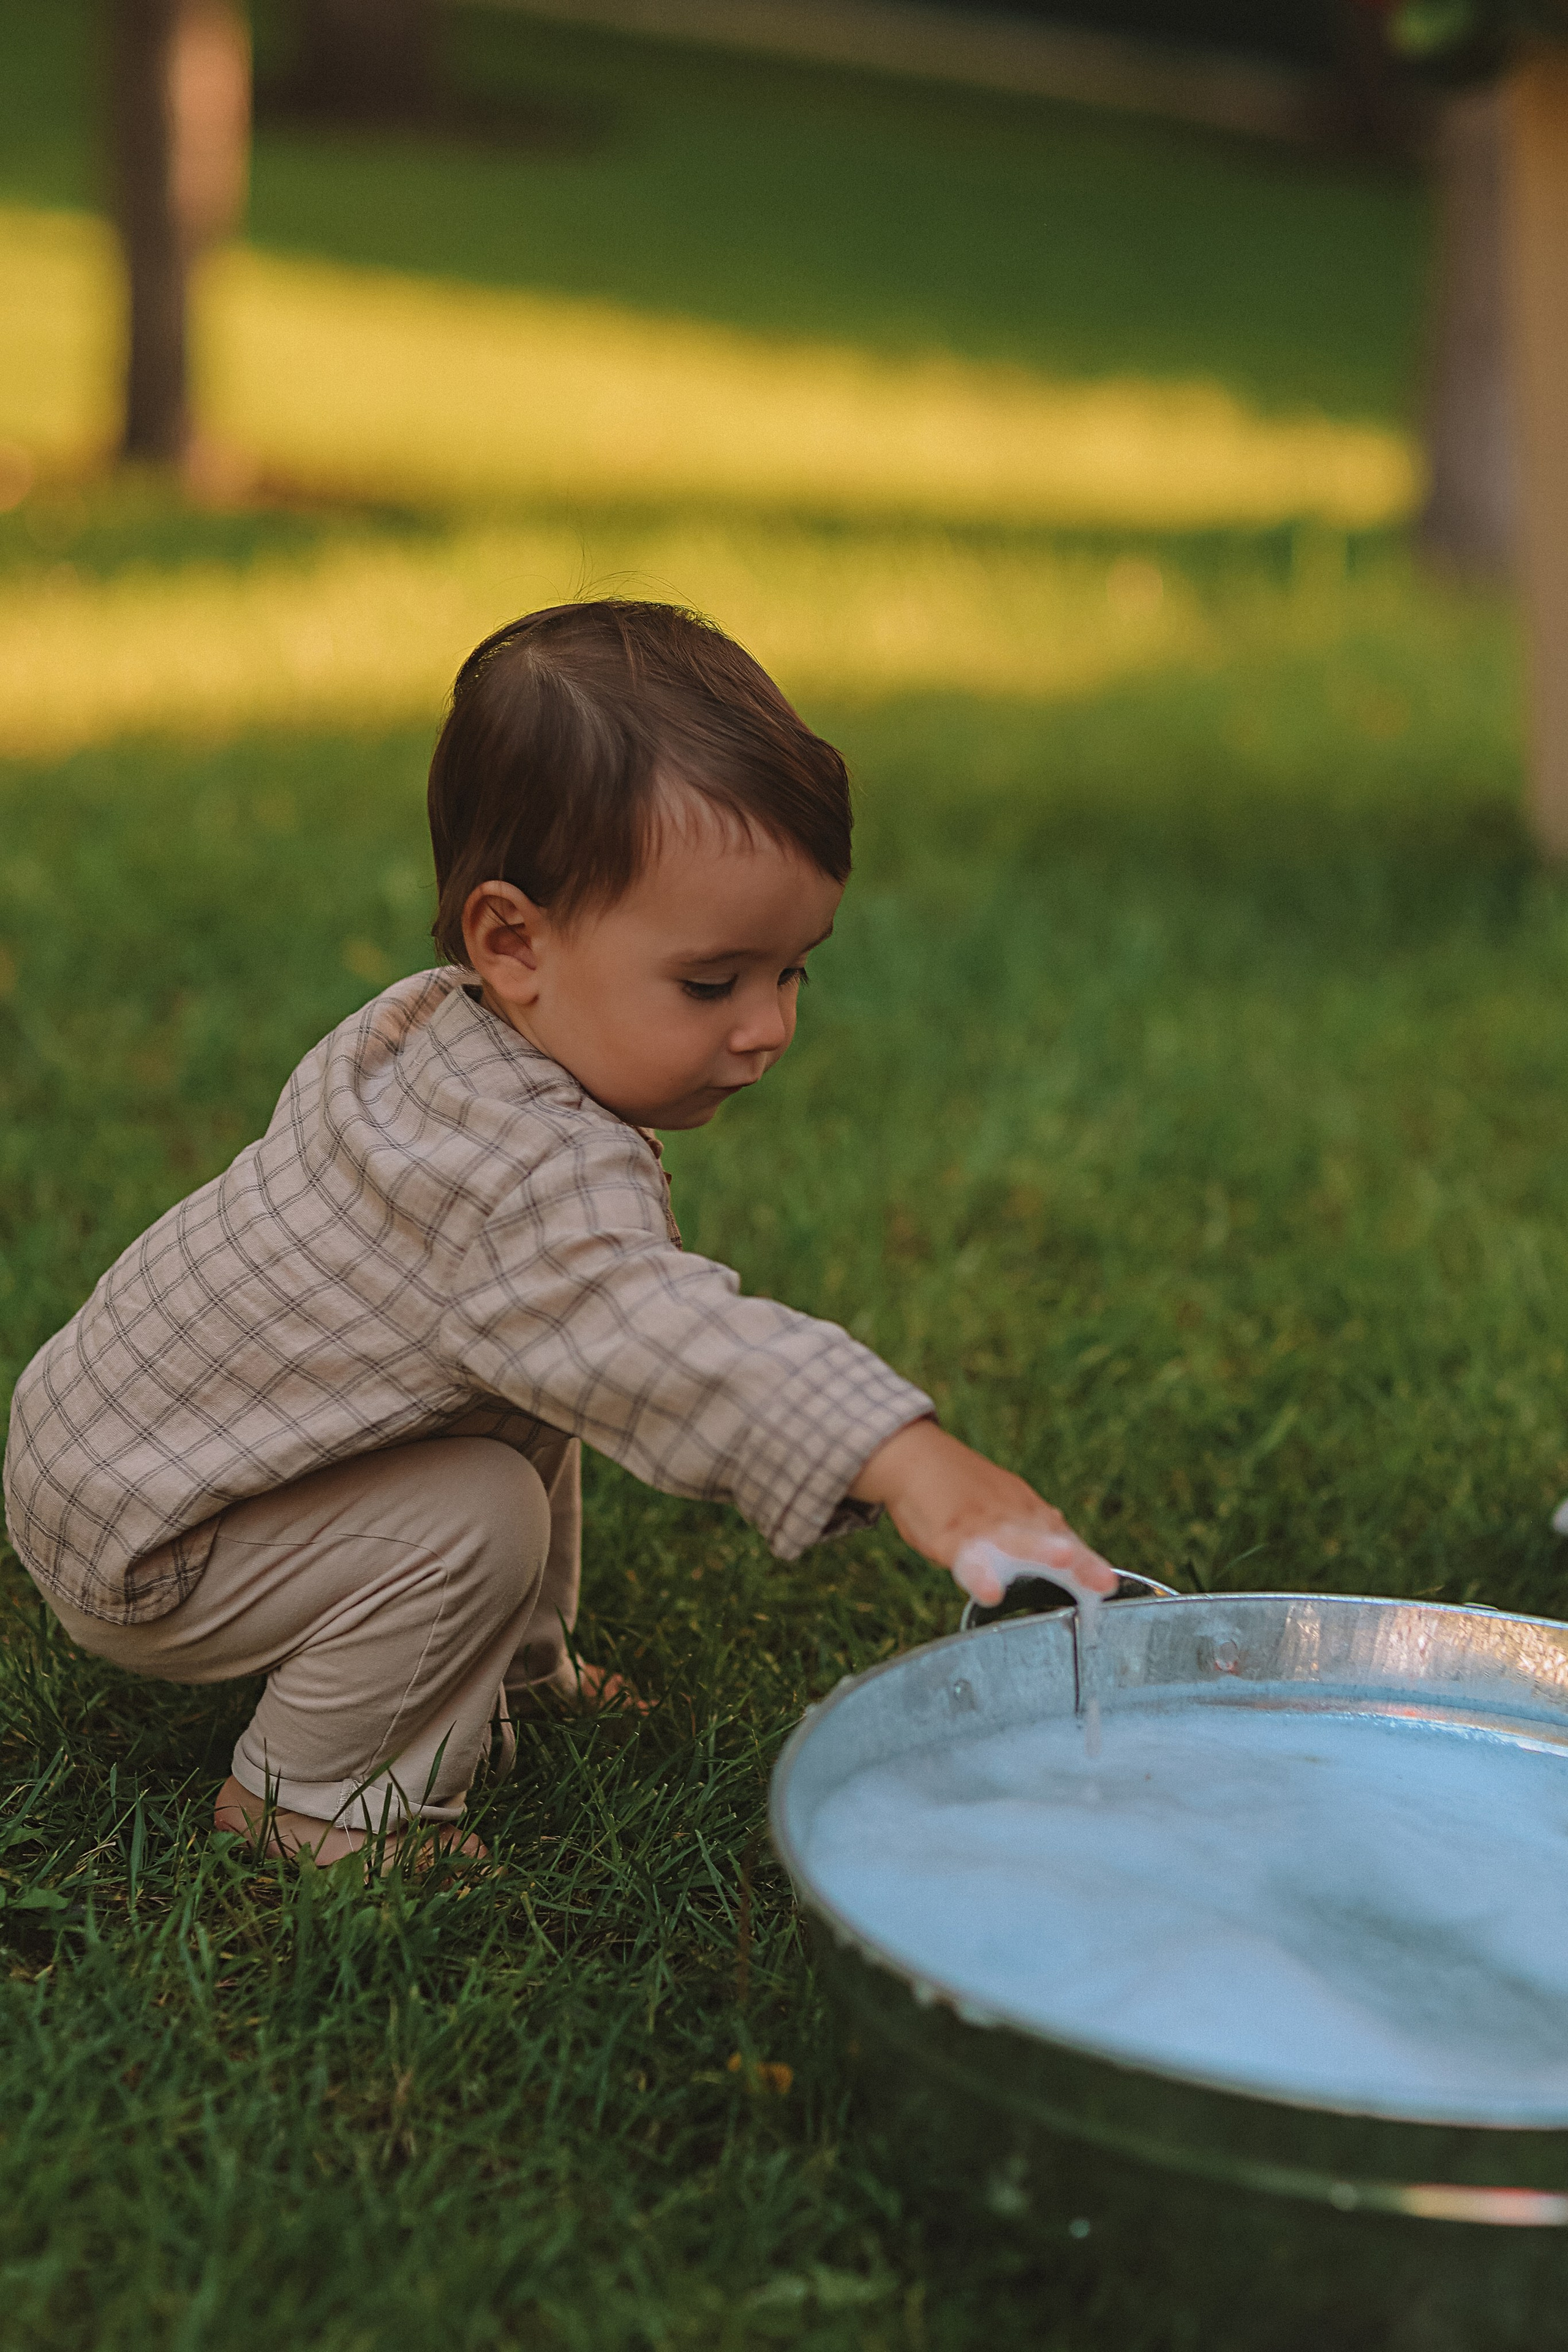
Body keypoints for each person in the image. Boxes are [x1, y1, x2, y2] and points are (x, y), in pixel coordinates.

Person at [2, 601, 1115, 1868]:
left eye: (793, 971)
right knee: (475, 1508)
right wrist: (897, 1453)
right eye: (712, 982)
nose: (765, 1028)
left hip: (119, 1455)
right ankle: (316, 1807)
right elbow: (670, 1343)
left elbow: (568, 1359)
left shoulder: (437, 1033)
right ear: (513, 940)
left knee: (526, 1389)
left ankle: (505, 1673)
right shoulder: (515, 1180)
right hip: (162, 1540)